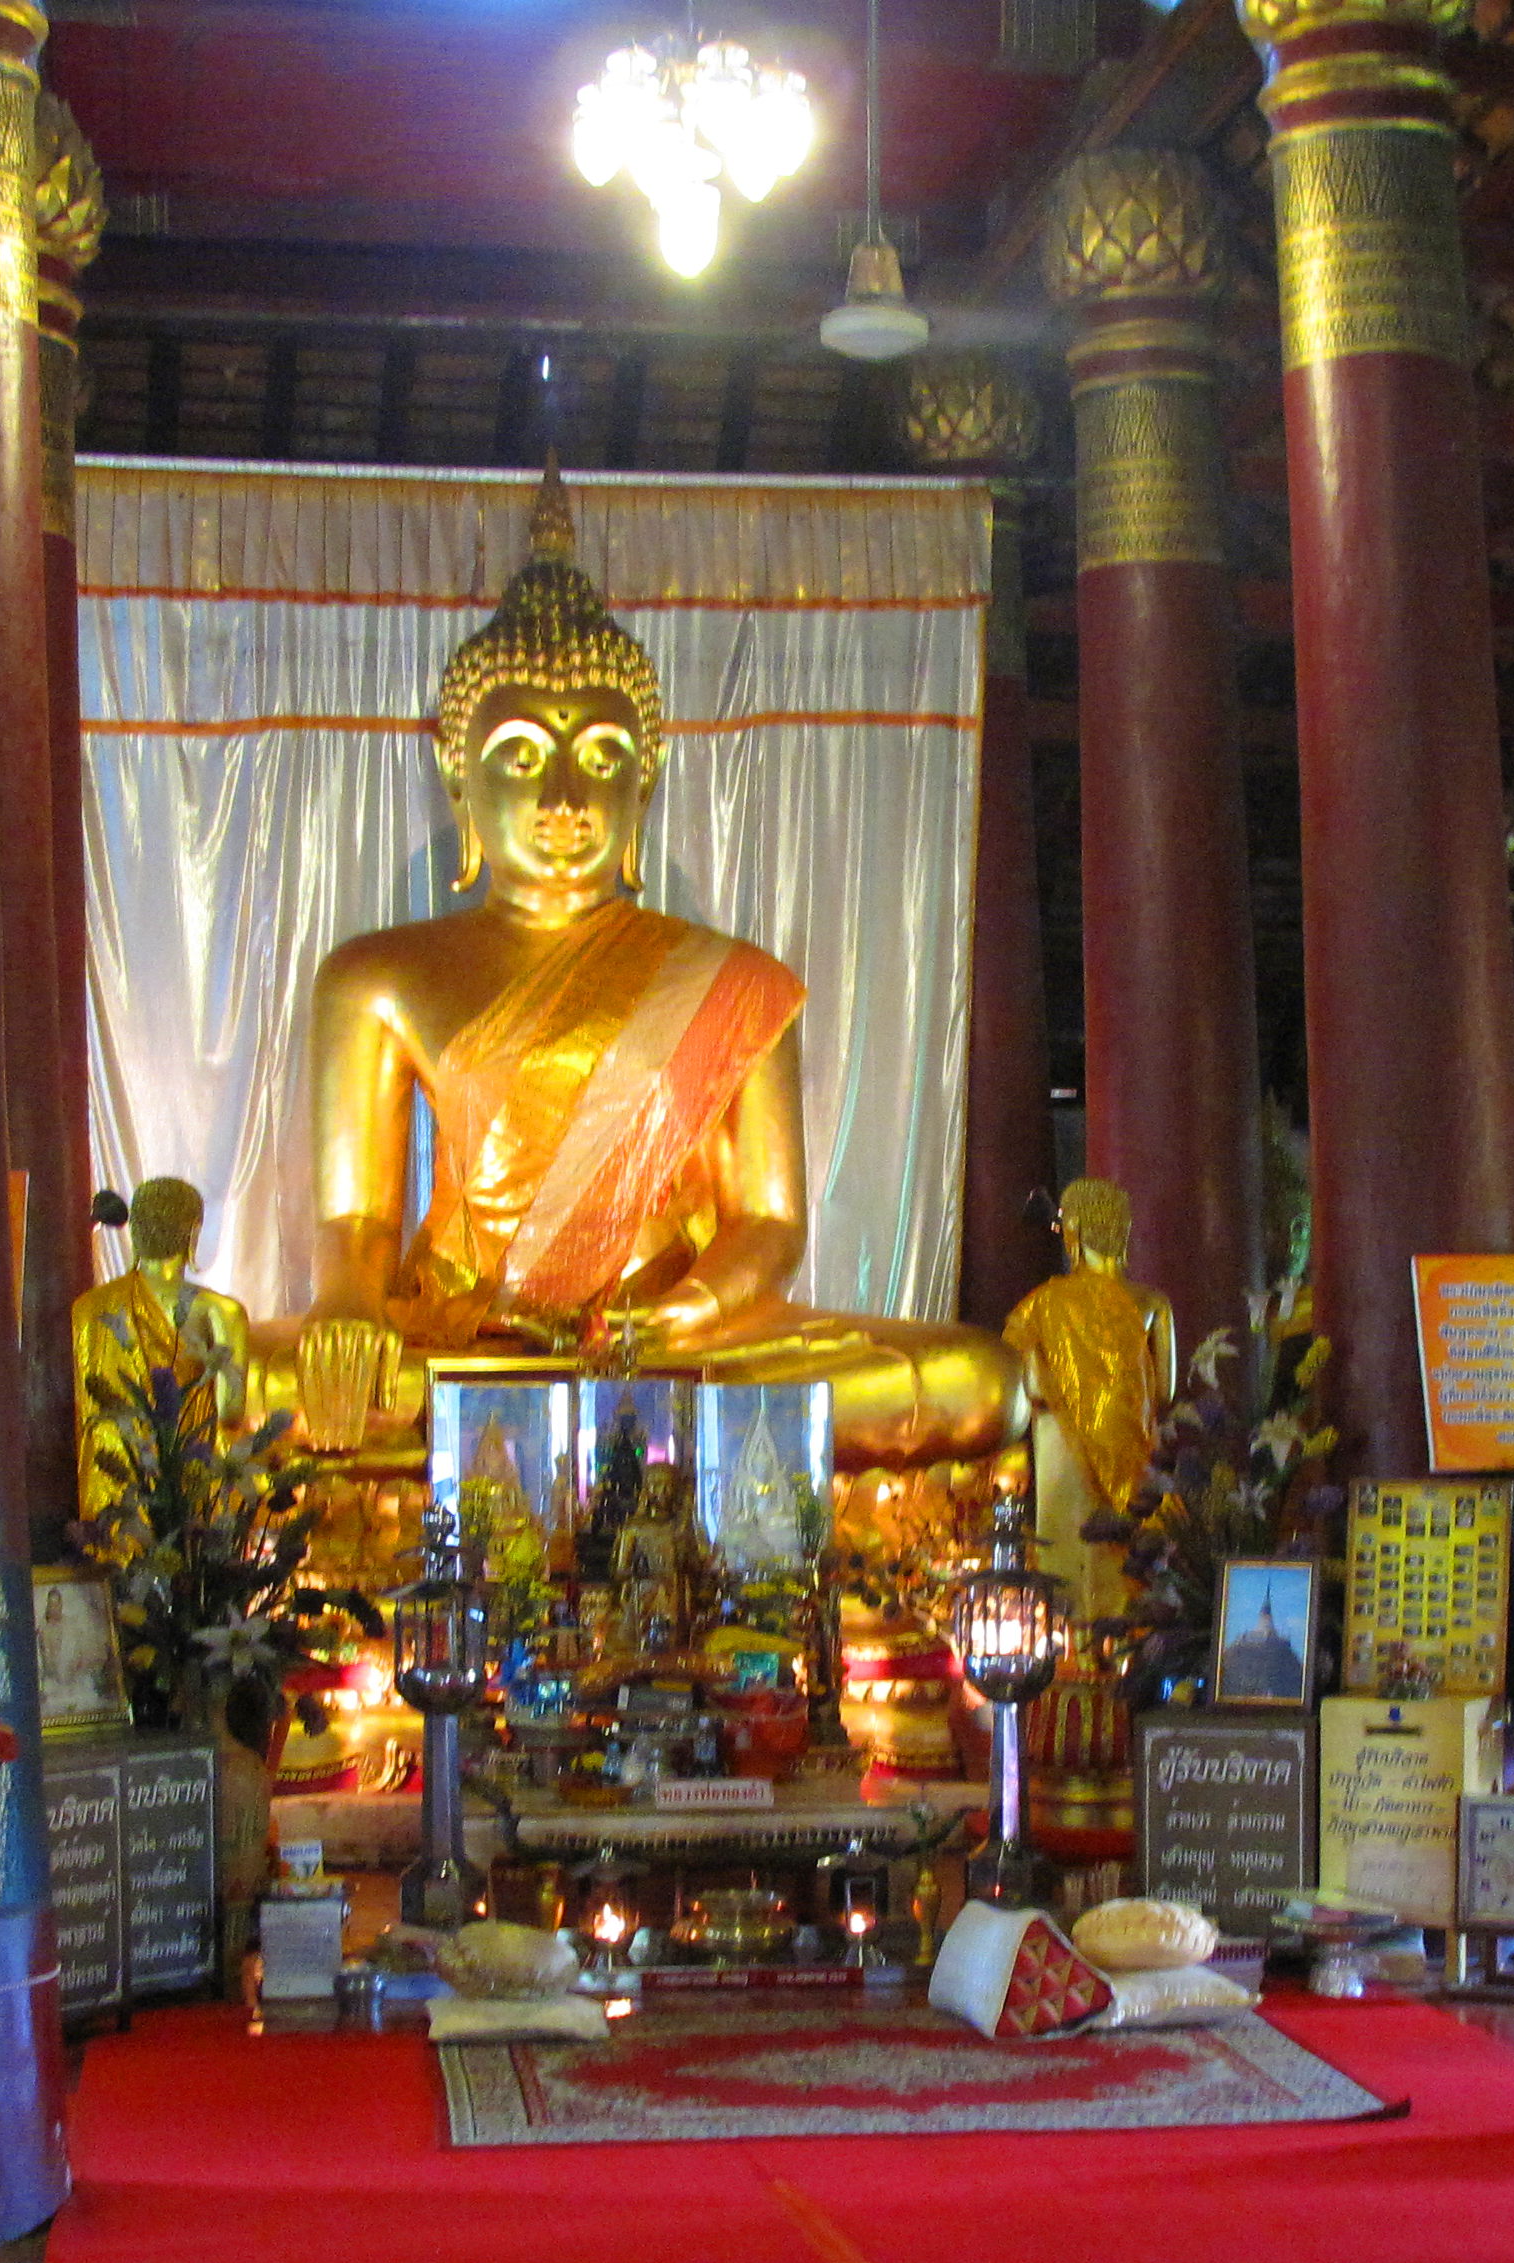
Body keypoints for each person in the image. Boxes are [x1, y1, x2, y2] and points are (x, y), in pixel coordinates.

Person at [247, 465, 1023, 1477]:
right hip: (459, 1346)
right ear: (458, 777)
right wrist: (348, 1316)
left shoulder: (733, 981)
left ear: (645, 779)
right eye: (522, 757)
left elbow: (769, 1222)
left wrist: (679, 1315)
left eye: (604, 755)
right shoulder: (377, 975)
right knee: (221, 1385)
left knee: (975, 1378)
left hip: (681, 1347)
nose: (567, 794)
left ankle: (573, 1445)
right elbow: (357, 1219)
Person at [1004, 1177, 1175, 1615]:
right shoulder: (1152, 1303)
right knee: (1125, 1550)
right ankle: (1127, 1637)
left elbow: (1032, 1388)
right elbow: (1164, 1391)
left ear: (1075, 1230)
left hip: (1061, 1443)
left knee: (1068, 1544)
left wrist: (1074, 1397)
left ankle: (1071, 1643)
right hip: (1132, 1443)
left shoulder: (1043, 1304)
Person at [73, 1176, 253, 1526]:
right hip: (187, 1481)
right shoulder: (220, 1311)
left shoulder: (88, 1308)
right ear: (192, 1233)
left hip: (113, 1485)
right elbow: (230, 1412)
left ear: (135, 1233)